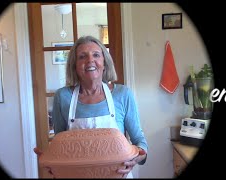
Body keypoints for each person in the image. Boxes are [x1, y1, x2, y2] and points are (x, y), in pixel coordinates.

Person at [34, 35, 148, 178]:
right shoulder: (62, 97)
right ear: (74, 66)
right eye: (82, 56)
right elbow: (60, 147)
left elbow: (140, 142)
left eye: (96, 55)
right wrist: (52, 162)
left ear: (104, 63)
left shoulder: (123, 94)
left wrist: (137, 157)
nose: (90, 60)